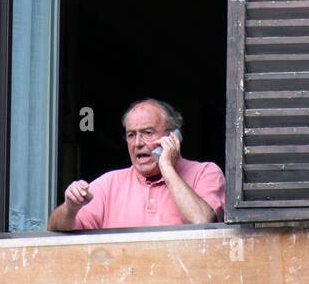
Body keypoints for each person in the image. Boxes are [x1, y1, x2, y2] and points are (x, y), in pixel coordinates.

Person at [47, 98, 225, 231]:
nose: (138, 143)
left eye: (147, 133)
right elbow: (55, 229)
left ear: (173, 137)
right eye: (131, 135)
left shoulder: (205, 172)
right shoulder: (110, 183)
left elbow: (202, 222)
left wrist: (167, 168)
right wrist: (70, 208)